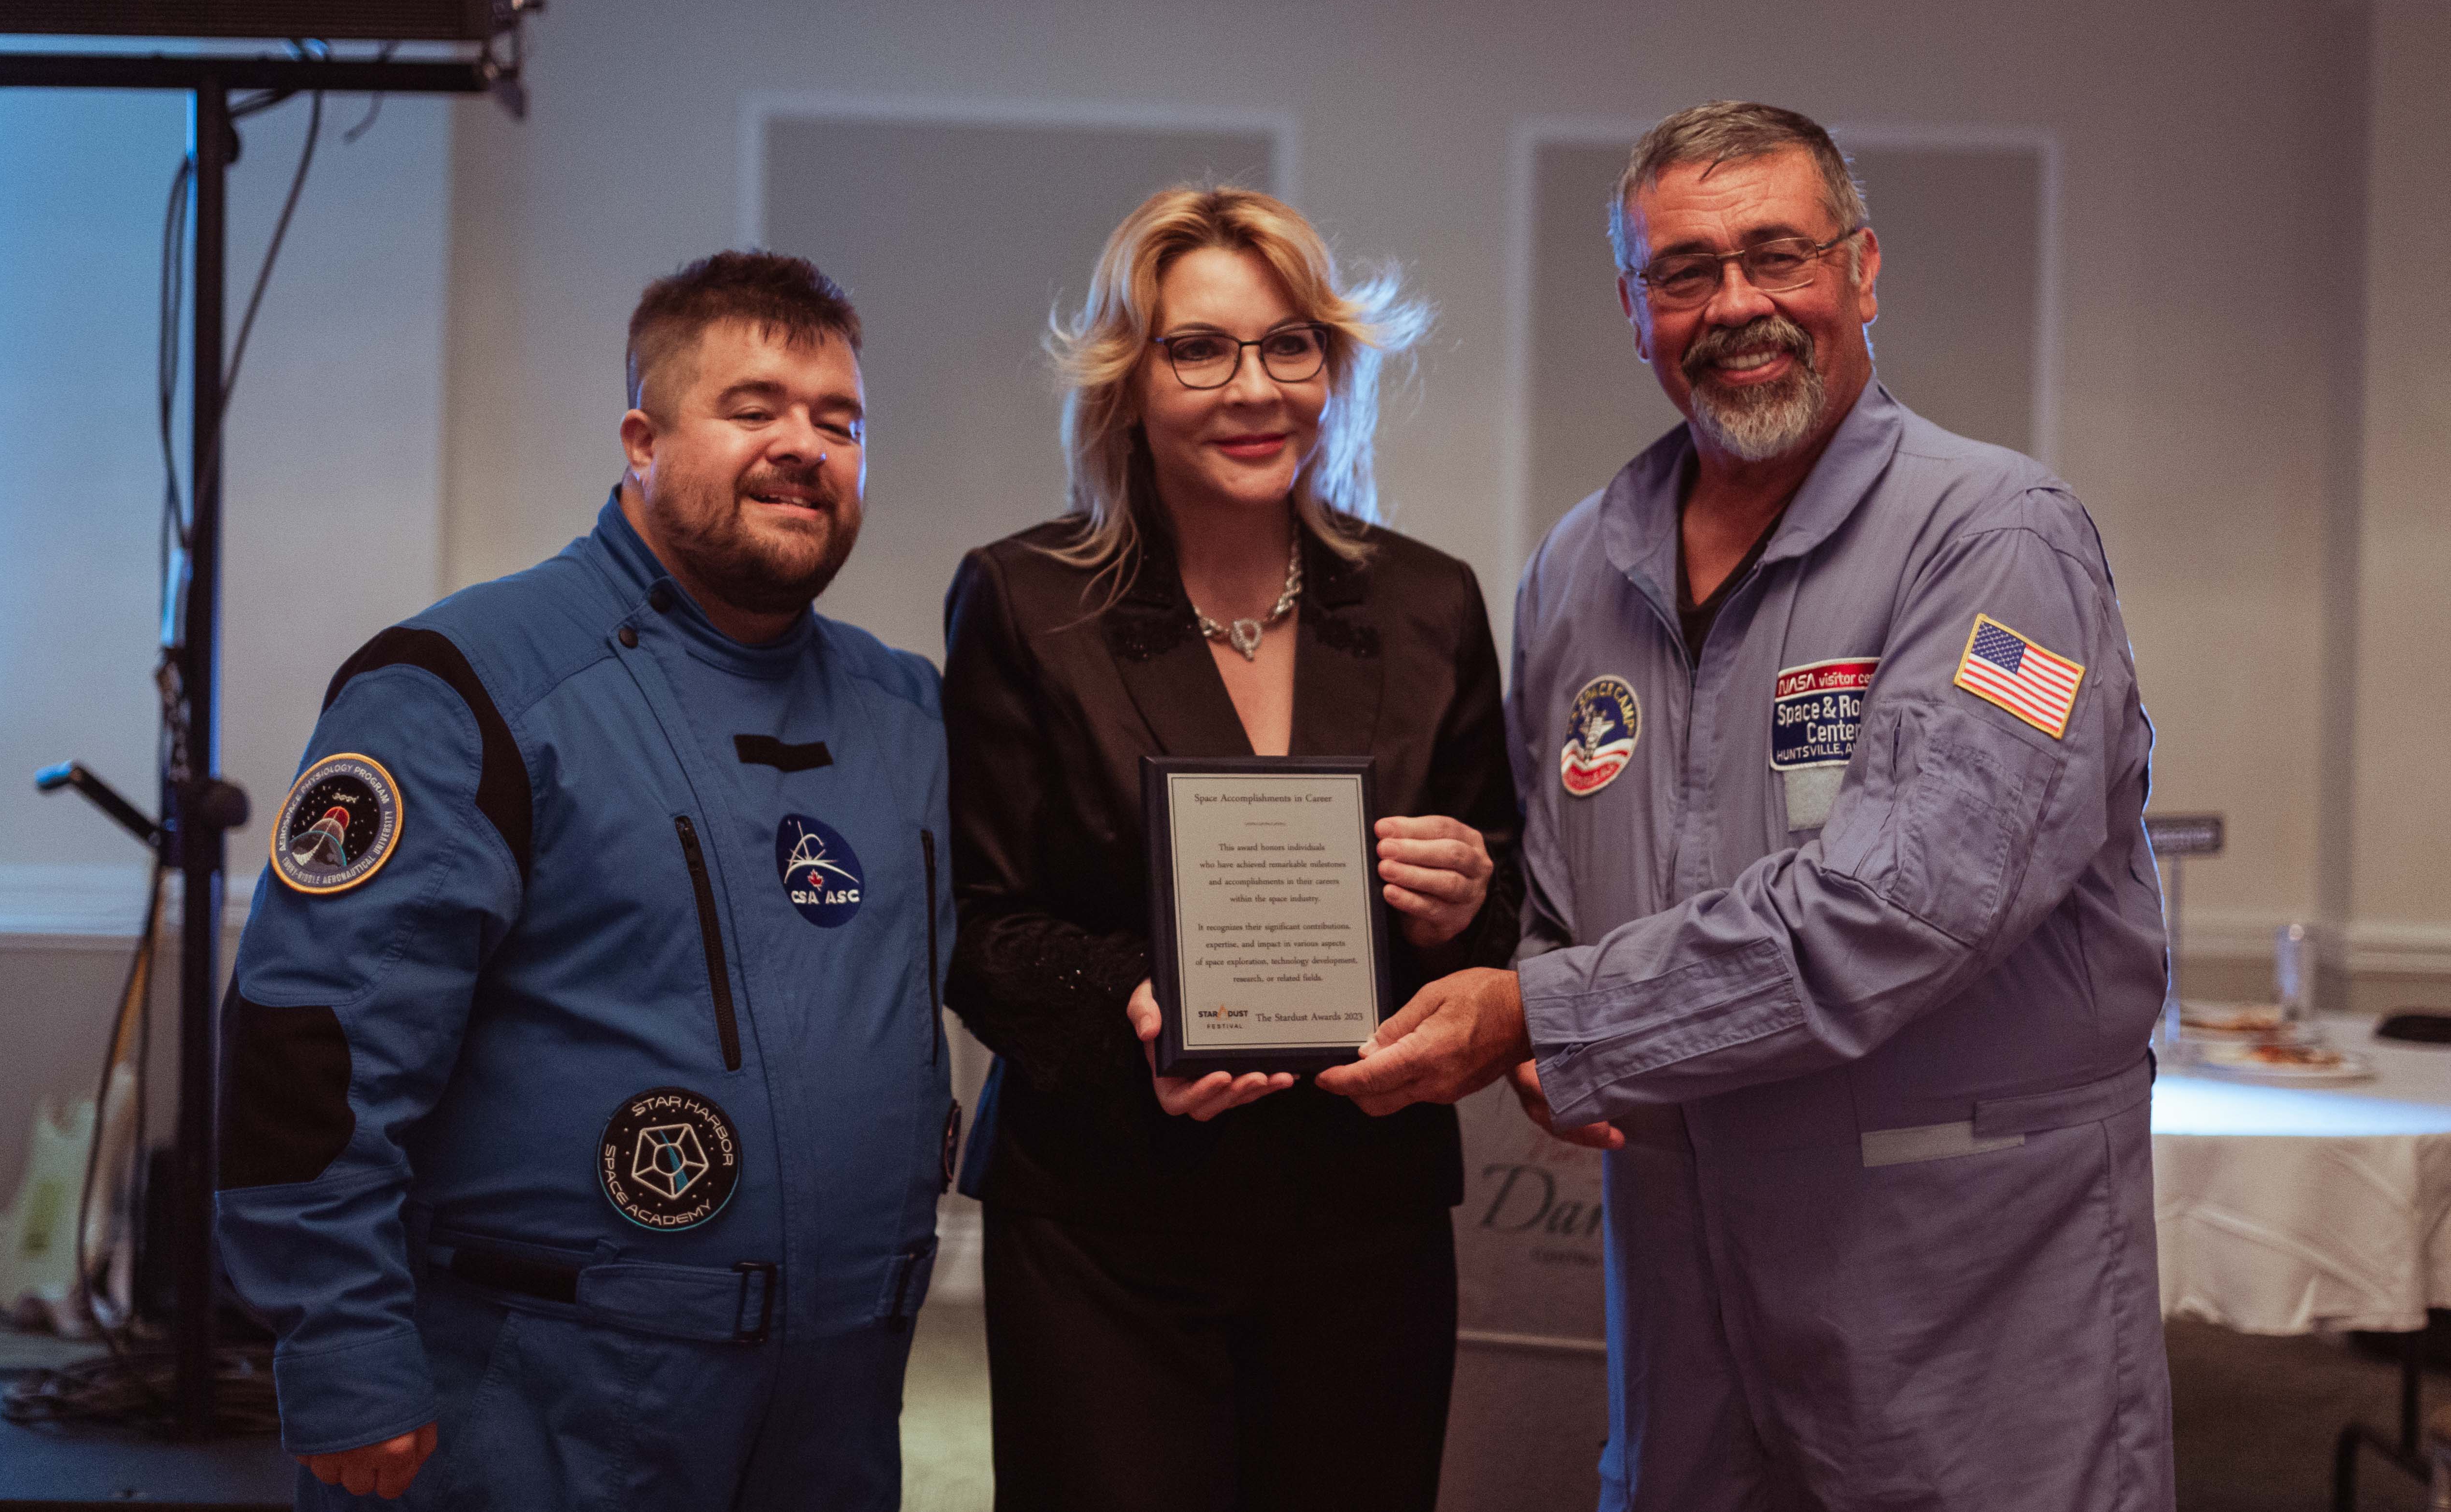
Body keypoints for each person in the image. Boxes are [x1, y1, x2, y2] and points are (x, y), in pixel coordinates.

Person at [1319, 101, 2174, 1510]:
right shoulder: (1578, 568)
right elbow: (1564, 886)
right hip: (1687, 1290)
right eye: (1683, 270)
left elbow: (1900, 906)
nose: (1735, 305)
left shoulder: (1997, 541)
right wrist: (1507, 950)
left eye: (1776, 254)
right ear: (1631, 306)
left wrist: (1549, 1015)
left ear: (1861, 269)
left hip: (1958, 1299)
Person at [217, 252, 957, 1508]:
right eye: (753, 407)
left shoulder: (907, 711)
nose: (806, 447)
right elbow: (313, 1049)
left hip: (833, 1407)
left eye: (841, 421)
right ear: (640, 438)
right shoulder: (464, 688)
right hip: (537, 1399)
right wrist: (344, 1356)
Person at [941, 186, 1521, 1512]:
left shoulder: (1429, 603)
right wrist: (1131, 1012)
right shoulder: (1027, 600)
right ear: (1126, 381)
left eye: (1288, 345)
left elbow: (1500, 906)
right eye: (1197, 348)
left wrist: (1459, 906)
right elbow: (977, 920)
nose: (1252, 387)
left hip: (1362, 1221)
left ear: (1333, 367)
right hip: (1107, 1225)